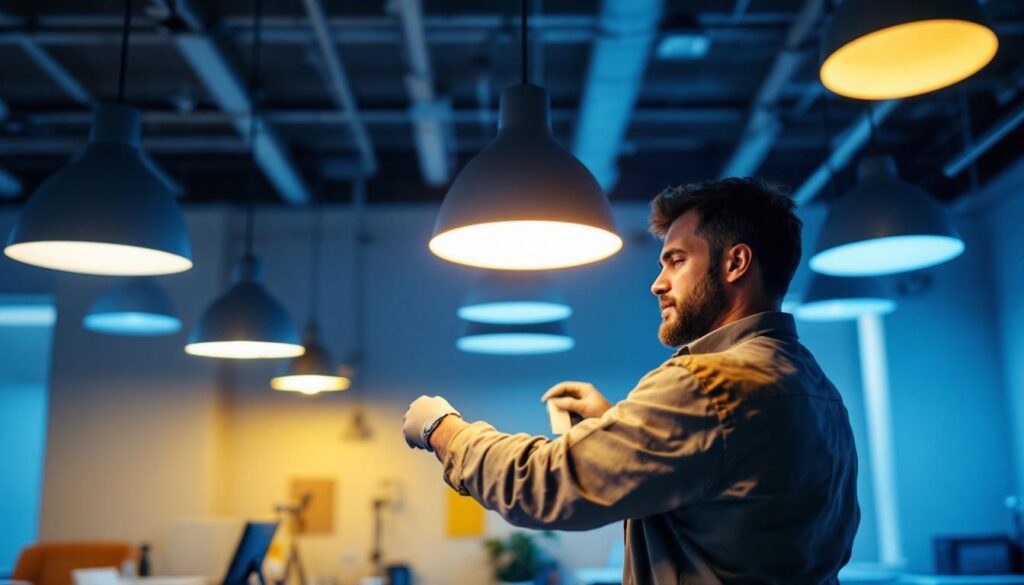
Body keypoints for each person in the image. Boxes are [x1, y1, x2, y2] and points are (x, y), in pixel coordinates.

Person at [403, 178, 860, 584]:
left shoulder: (706, 382)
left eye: (676, 261)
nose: (657, 284)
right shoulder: (819, 391)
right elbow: (734, 498)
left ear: (736, 262)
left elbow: (546, 484)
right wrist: (613, 422)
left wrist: (442, 429)